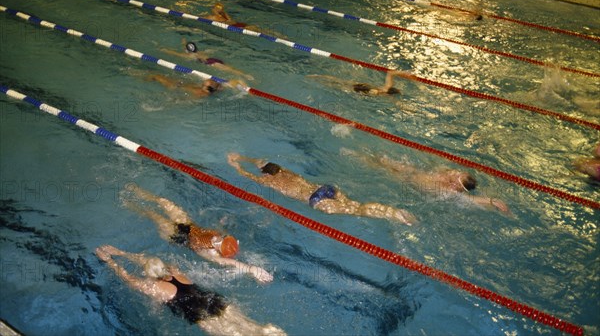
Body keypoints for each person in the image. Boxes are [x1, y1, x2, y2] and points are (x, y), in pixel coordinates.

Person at [95, 245, 286, 335]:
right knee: (253, 327)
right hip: (215, 300)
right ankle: (271, 331)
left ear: (149, 275)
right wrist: (122, 252)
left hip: (202, 315)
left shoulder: (152, 286)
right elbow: (148, 260)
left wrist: (110, 261)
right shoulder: (175, 271)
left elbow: (127, 278)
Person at [121, 183, 273, 283]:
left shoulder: (212, 255)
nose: (218, 239)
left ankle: (130, 205)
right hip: (189, 226)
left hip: (179, 237)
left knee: (153, 215)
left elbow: (230, 262)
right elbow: (216, 233)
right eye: (223, 238)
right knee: (164, 201)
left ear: (218, 251)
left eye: (219, 243)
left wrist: (251, 269)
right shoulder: (221, 236)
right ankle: (138, 190)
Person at [227, 153, 416, 225]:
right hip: (326, 189)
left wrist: (236, 166)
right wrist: (244, 158)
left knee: (358, 211)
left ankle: (392, 214)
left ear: (265, 174)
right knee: (356, 205)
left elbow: (248, 176)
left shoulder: (269, 182)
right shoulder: (285, 171)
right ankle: (390, 211)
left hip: (318, 200)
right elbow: (262, 161)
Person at [343, 149, 510, 213]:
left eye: (453, 177)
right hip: (411, 171)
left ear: (455, 185)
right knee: (381, 158)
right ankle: (360, 155)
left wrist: (491, 201)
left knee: (379, 166)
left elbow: (468, 199)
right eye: (456, 172)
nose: (452, 173)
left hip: (405, 181)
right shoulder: (446, 173)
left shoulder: (448, 192)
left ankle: (355, 156)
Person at [162, 38, 254, 81]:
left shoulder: (190, 56)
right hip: (214, 59)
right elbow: (190, 49)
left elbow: (176, 54)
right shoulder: (200, 52)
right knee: (231, 69)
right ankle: (245, 75)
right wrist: (184, 42)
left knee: (230, 71)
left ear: (187, 51)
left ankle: (246, 75)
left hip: (212, 63)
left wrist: (165, 50)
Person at [307, 70, 411, 96]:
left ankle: (318, 76)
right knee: (337, 86)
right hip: (367, 90)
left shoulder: (388, 86)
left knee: (339, 81)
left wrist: (405, 73)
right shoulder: (385, 95)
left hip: (364, 85)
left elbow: (390, 73)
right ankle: (321, 82)